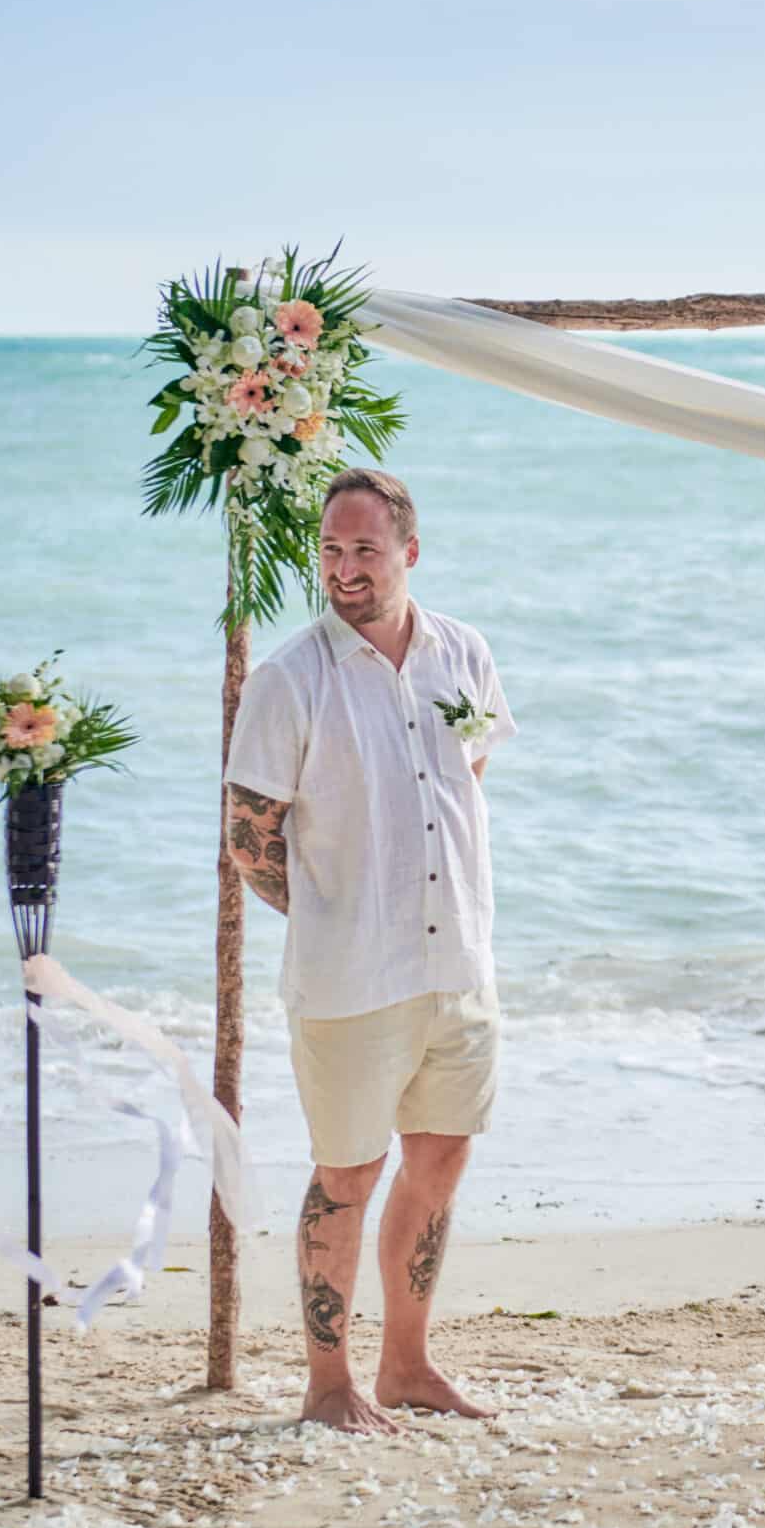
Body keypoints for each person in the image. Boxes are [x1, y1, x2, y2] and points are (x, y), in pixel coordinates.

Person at [222, 466, 515, 1435]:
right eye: (332, 550)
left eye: (365, 550)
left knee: (438, 1165)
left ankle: (407, 1366)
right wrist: (333, 918)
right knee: (345, 1175)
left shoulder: (463, 652)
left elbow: (464, 772)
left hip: (459, 968)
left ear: (408, 553)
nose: (345, 569)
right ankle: (326, 1382)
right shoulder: (288, 678)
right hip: (349, 984)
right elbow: (249, 834)